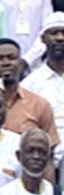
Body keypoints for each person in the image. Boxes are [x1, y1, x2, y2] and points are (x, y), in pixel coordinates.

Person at [0, 38, 59, 147]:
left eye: (11, 58)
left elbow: (51, 148)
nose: (6, 63)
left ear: (20, 63)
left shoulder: (39, 105)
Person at [20, 13, 64, 145]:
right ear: (43, 39)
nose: (60, 38)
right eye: (54, 33)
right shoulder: (30, 84)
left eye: (63, 33)